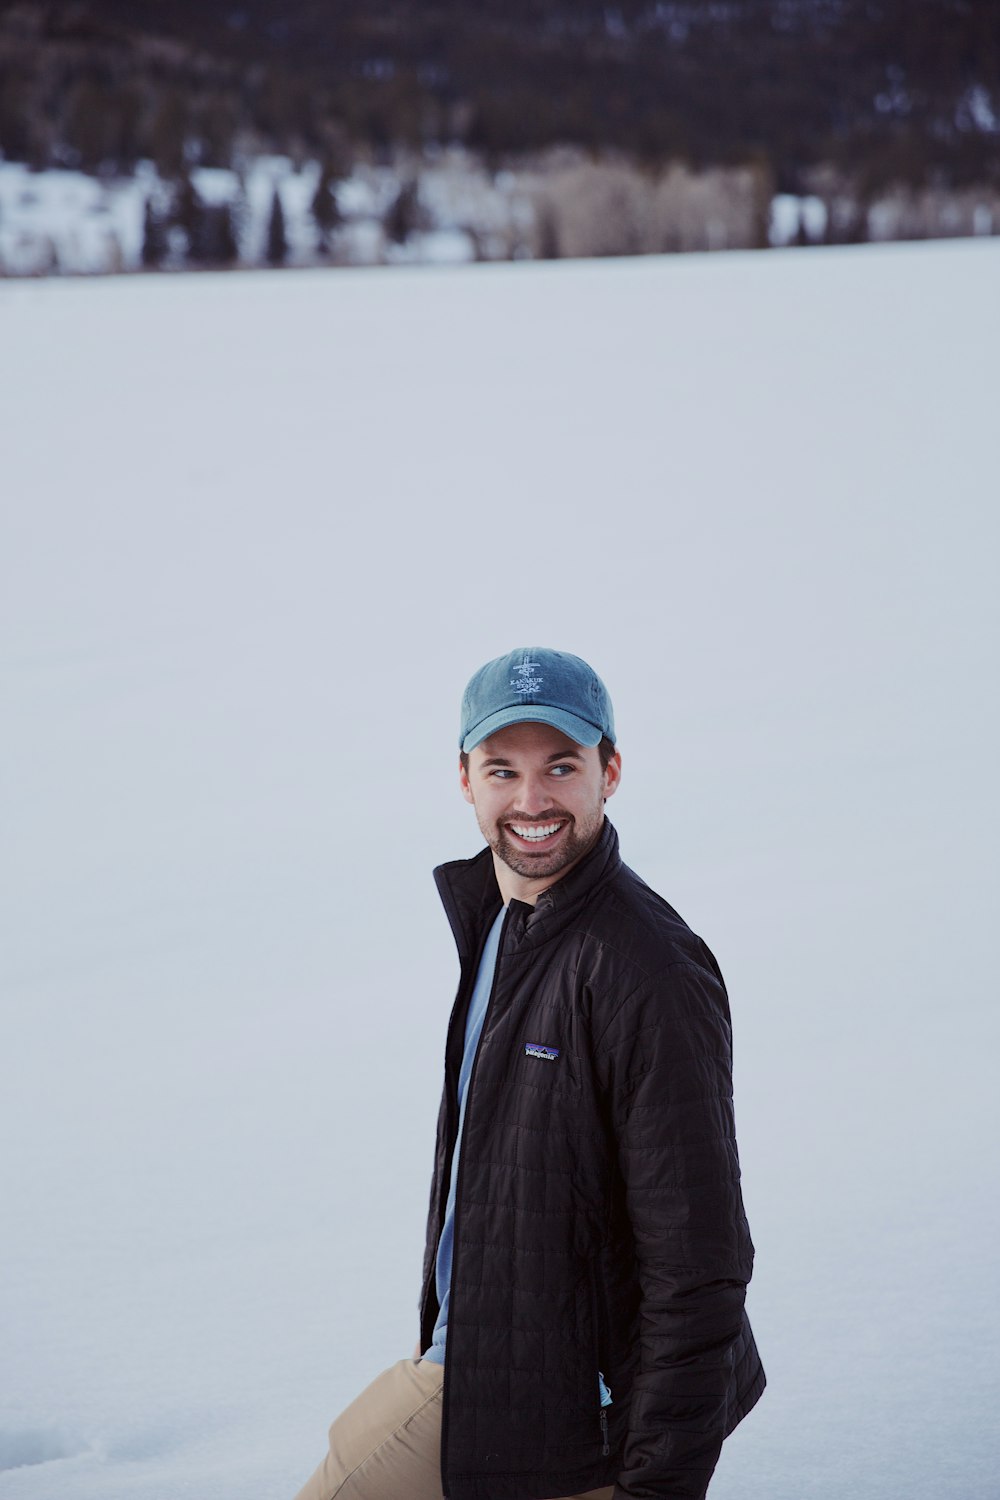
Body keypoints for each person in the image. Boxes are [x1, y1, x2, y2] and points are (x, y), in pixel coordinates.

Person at [293, 648, 764, 1500]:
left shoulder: (645, 968)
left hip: (577, 1420)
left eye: (561, 767)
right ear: (464, 779)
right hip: (481, 1377)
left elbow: (700, 1262)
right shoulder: (504, 922)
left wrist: (656, 1485)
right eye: (502, 769)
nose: (532, 800)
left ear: (609, 772)